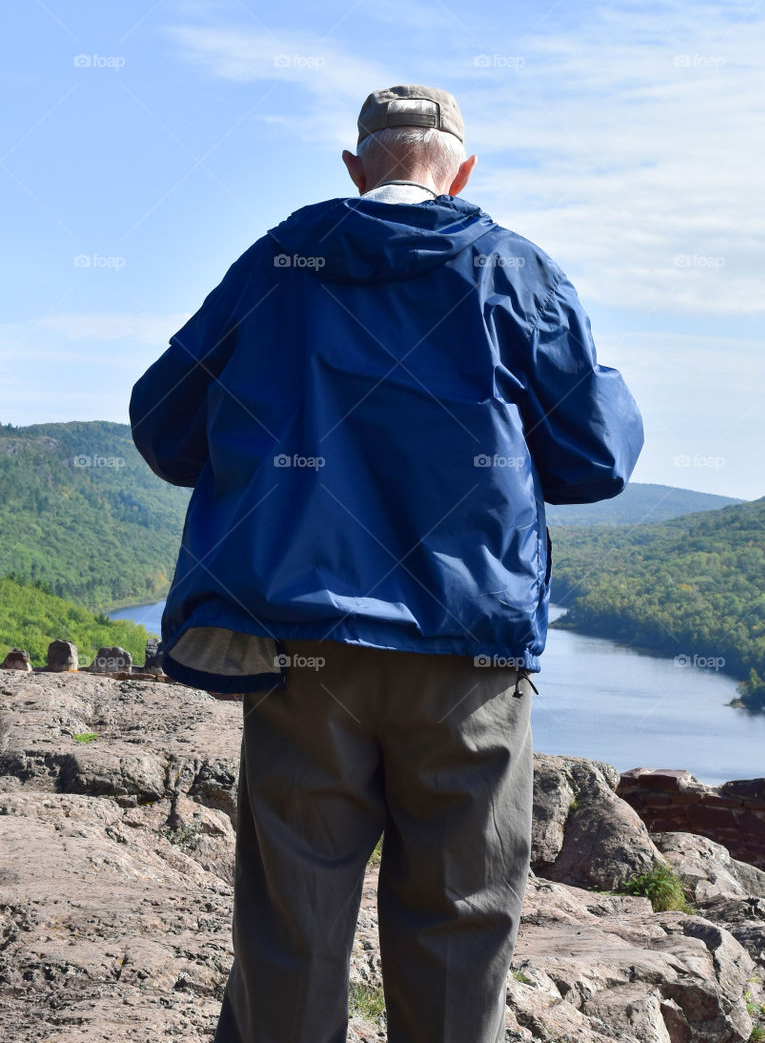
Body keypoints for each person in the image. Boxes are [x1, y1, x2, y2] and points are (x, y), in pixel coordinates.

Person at [130, 84, 644, 1043]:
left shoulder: (283, 260)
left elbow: (163, 424)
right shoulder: (512, 271)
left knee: (292, 923)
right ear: (461, 171)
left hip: (304, 646)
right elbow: (599, 456)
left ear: (356, 166)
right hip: (469, 651)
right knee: (460, 918)